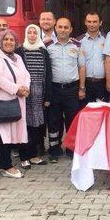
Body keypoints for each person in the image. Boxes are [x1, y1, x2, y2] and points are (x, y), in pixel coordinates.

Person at [0, 30, 31, 177]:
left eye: (12, 40)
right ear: (1, 42)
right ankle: (6, 166)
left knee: (16, 131)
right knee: (4, 133)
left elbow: (26, 74)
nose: (9, 42)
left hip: (19, 99)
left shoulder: (18, 57)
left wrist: (25, 88)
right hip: (5, 100)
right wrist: (16, 90)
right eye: (6, 40)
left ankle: (9, 163)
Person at [46, 17, 86, 161]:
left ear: (71, 30)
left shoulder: (77, 45)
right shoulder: (47, 46)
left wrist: (82, 88)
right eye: (60, 27)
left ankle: (71, 148)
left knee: (72, 119)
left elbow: (81, 67)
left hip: (71, 89)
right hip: (54, 89)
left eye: (66, 27)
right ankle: (54, 150)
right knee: (54, 121)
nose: (62, 30)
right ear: (55, 28)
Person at [16, 24, 52, 169]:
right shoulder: (19, 51)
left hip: (39, 94)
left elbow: (48, 75)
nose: (32, 35)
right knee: (24, 125)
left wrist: (47, 96)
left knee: (37, 126)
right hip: (25, 93)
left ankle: (33, 155)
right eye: (29, 33)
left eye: (34, 33)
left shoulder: (44, 52)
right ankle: (24, 157)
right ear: (26, 34)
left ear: (38, 35)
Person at [77, 12, 108, 103]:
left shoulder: (108, 39)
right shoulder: (78, 41)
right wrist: (81, 87)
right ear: (85, 22)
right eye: (89, 21)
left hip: (102, 83)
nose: (92, 24)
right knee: (86, 112)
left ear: (100, 23)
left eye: (95, 21)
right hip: (85, 83)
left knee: (102, 112)